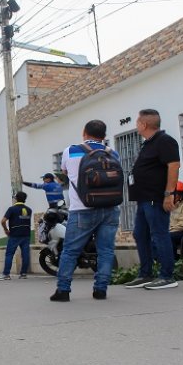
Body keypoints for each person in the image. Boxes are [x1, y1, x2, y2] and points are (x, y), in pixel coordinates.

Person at [50, 120, 120, 302]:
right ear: (104, 136)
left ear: (84, 132)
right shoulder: (113, 153)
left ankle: (63, 290)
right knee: (105, 250)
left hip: (82, 209)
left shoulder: (71, 151)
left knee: (71, 251)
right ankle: (101, 290)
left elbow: (65, 172)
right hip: (110, 208)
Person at [124, 109, 181, 290]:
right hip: (143, 198)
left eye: (137, 122)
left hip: (156, 198)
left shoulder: (165, 141)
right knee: (140, 234)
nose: (136, 125)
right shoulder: (147, 144)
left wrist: (169, 194)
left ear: (144, 124)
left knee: (159, 234)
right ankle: (145, 273)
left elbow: (174, 166)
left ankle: (167, 275)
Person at [0, 191, 33, 280]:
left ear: (16, 198)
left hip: (15, 234)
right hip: (26, 234)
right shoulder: (29, 210)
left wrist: (6, 230)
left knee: (9, 254)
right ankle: (23, 274)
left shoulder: (12, 209)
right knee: (25, 254)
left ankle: (6, 274)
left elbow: (3, 221)